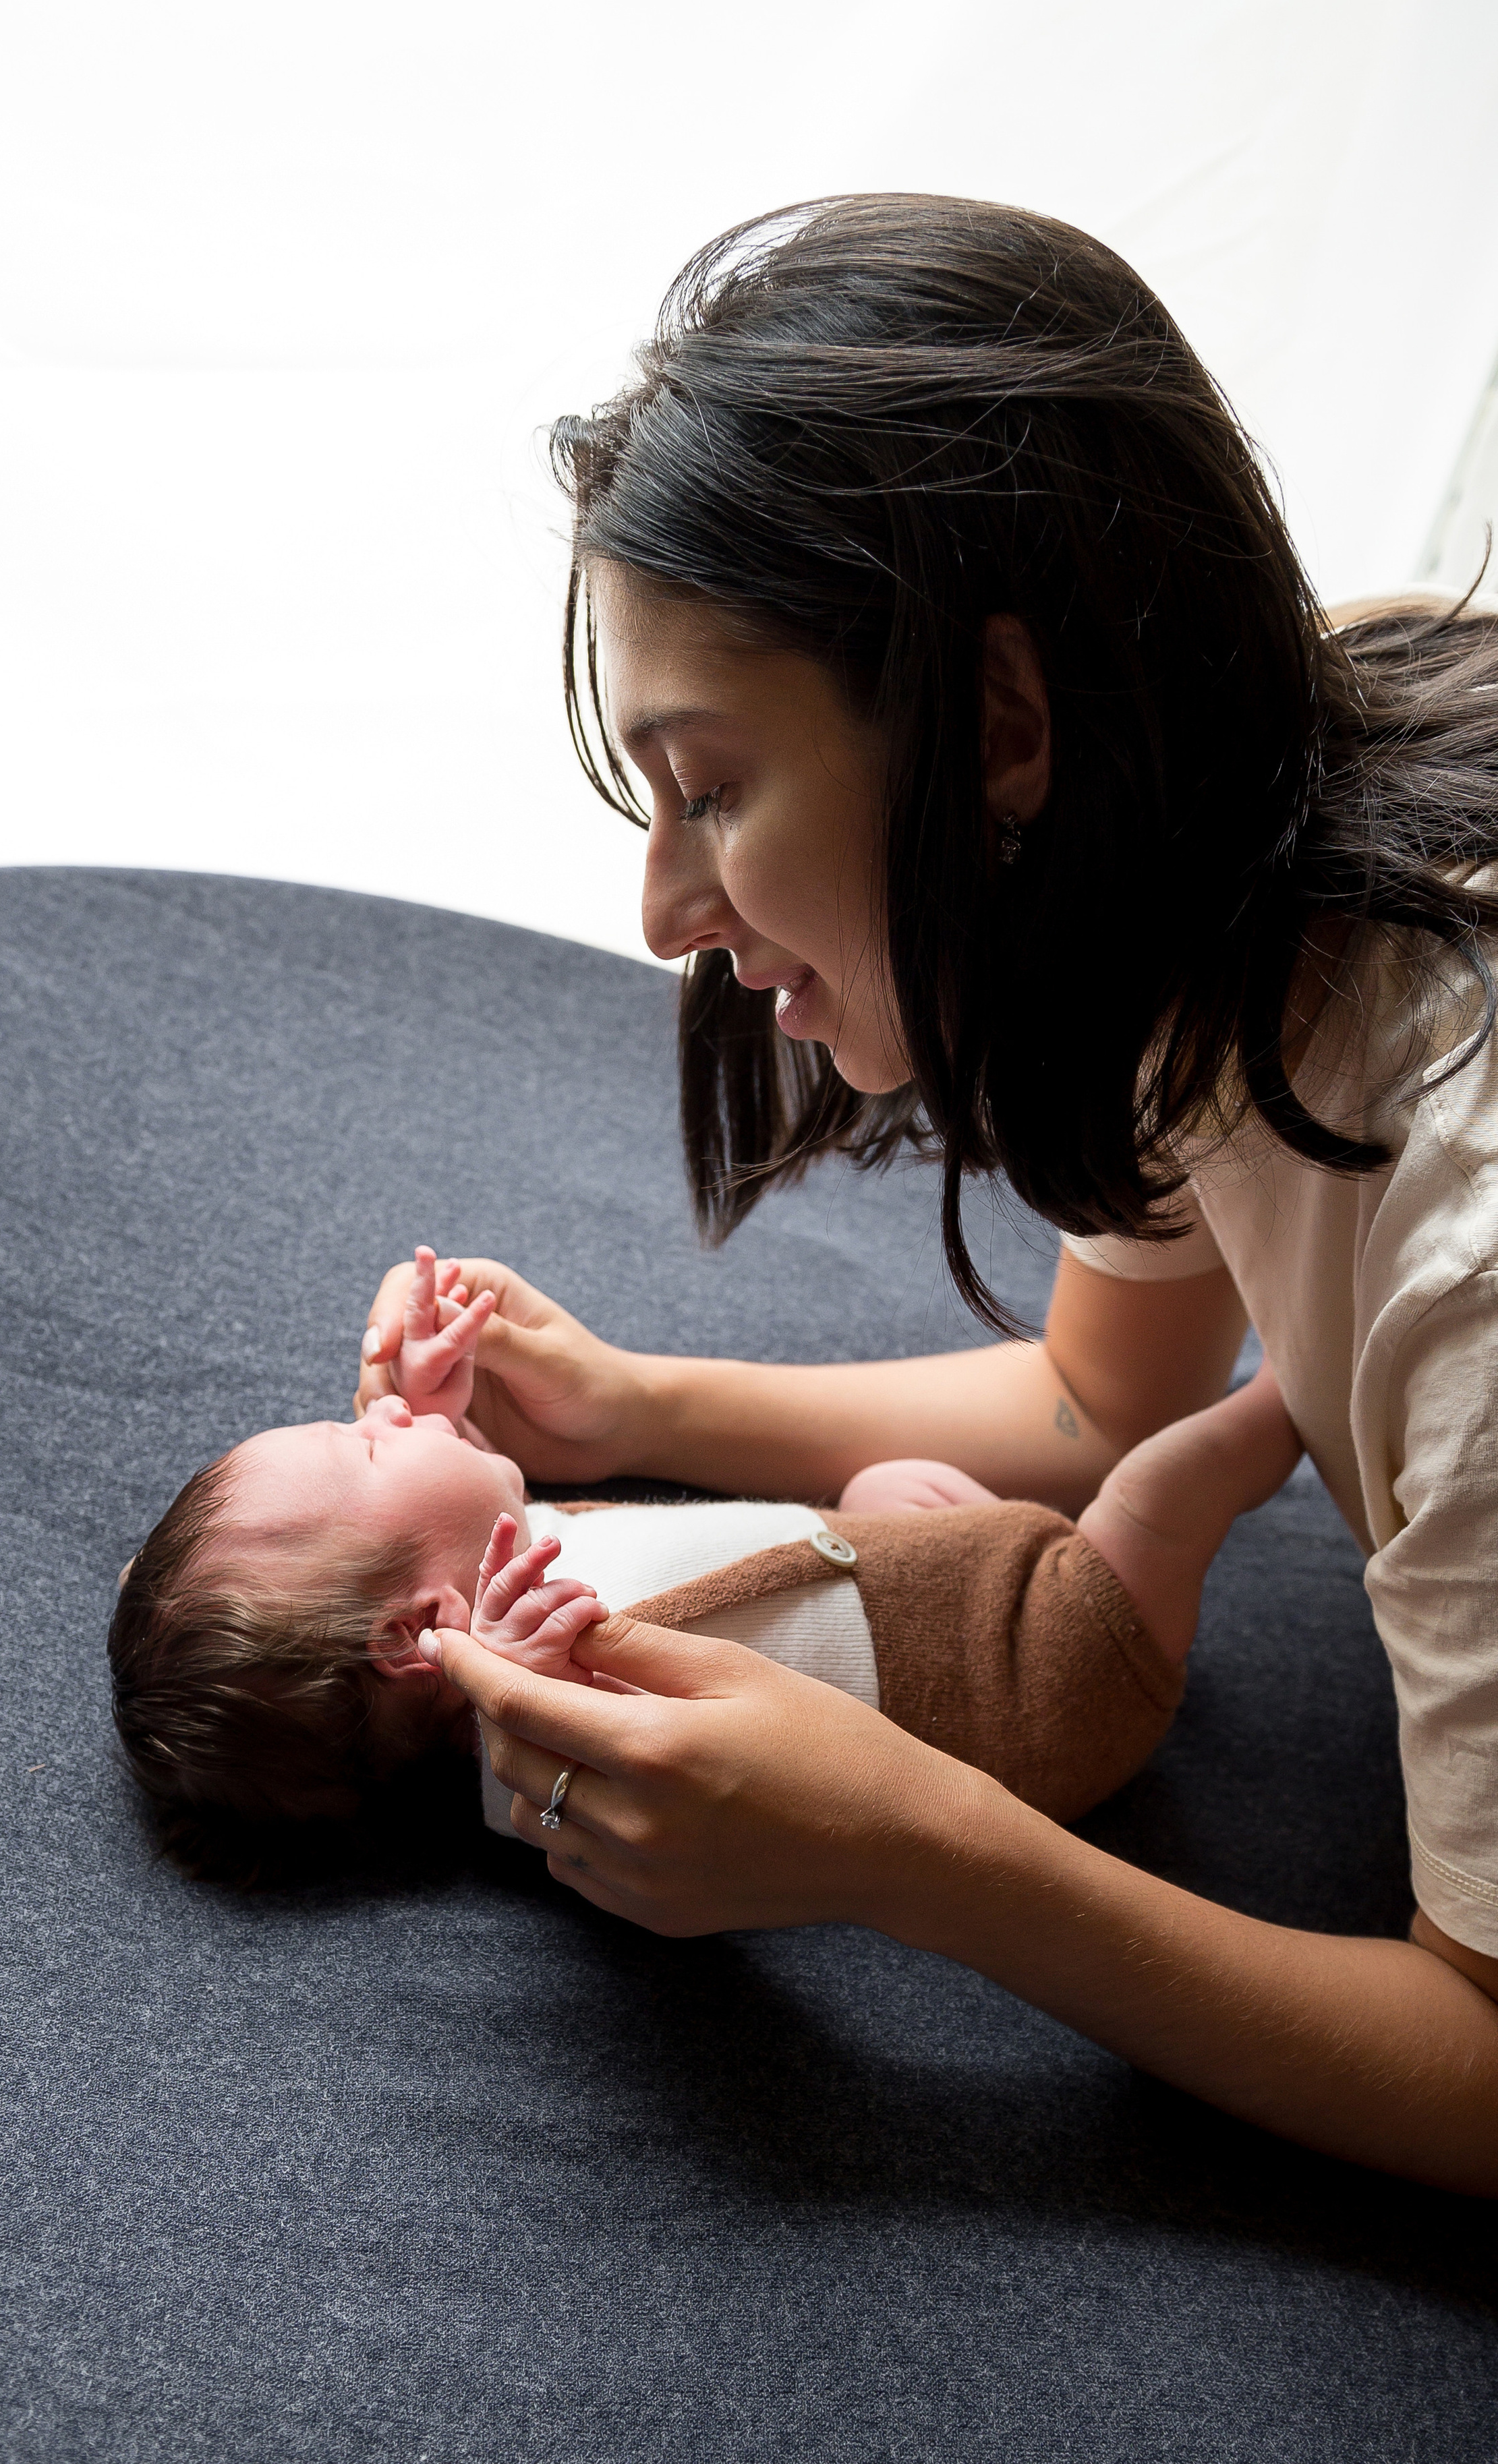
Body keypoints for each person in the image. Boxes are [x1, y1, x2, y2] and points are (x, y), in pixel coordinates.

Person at [357, 194, 1498, 2194]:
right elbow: (1098, 1404)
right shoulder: (1223, 872)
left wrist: (915, 1847)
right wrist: (634, 1407)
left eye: (707, 786)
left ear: (1001, 728)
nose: (660, 912)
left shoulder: (1463, 1242)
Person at [109, 1250, 1298, 1854]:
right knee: (1158, 1492)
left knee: (890, 1490)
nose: (376, 1408)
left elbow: (455, 1516)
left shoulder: (487, 1586)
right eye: (364, 1445)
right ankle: (1302, 1396)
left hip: (914, 1563)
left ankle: (991, 1532)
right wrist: (535, 1685)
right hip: (1050, 1679)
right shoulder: (534, 1751)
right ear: (422, 1638)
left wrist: (433, 1407)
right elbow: (584, 1742)